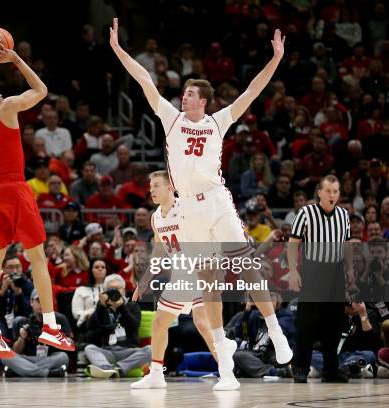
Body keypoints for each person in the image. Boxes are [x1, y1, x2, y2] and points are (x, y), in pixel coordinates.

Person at [109, 18, 291, 390]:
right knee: (209, 281)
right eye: (184, 93)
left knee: (244, 261)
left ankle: (275, 331)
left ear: (203, 101)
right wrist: (118, 50)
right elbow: (145, 79)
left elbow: (253, 91)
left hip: (217, 200)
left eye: (190, 94)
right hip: (189, 208)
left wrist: (275, 59)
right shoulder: (171, 119)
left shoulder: (219, 121)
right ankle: (224, 360)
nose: (183, 97)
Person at [0, 34, 74, 359]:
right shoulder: (8, 108)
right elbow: (41, 90)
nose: (0, 92)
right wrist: (14, 59)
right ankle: (51, 326)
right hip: (14, 188)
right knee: (38, 257)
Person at [130, 171, 214, 388]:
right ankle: (156, 374)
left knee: (202, 323)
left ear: (171, 188)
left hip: (200, 270)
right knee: (159, 324)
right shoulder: (156, 216)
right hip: (180, 275)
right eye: (150, 186)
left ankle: (227, 370)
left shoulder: (186, 209)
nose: (151, 190)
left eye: (156, 185)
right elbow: (158, 252)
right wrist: (144, 281)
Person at [288, 175, 354, 383]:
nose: (332, 195)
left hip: (335, 273)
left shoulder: (344, 215)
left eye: (336, 191)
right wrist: (293, 270)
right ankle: (300, 368)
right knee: (307, 323)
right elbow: (293, 242)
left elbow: (347, 243)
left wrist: (350, 268)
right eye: (328, 191)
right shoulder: (306, 213)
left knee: (333, 325)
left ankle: (330, 370)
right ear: (319, 192)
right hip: (313, 270)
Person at [83, 274, 151, 378]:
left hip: (130, 352)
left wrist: (121, 307)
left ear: (123, 290)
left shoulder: (132, 305)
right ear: (105, 292)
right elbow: (89, 330)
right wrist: (101, 306)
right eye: (111, 289)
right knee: (89, 348)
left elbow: (133, 327)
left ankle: (118, 369)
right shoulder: (102, 308)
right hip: (108, 351)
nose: (115, 292)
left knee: (151, 349)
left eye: (118, 288)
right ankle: (106, 368)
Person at [3, 289, 71, 377]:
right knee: (5, 356)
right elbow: (16, 351)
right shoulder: (23, 321)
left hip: (50, 358)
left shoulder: (60, 319)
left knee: (63, 357)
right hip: (29, 358)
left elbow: (69, 346)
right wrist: (22, 338)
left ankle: (21, 371)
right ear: (31, 302)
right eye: (39, 300)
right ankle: (50, 373)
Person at [72, 258, 107, 329]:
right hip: (88, 326)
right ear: (91, 270)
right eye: (96, 267)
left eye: (103, 267)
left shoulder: (111, 288)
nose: (100, 269)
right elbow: (76, 313)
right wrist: (91, 313)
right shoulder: (81, 290)